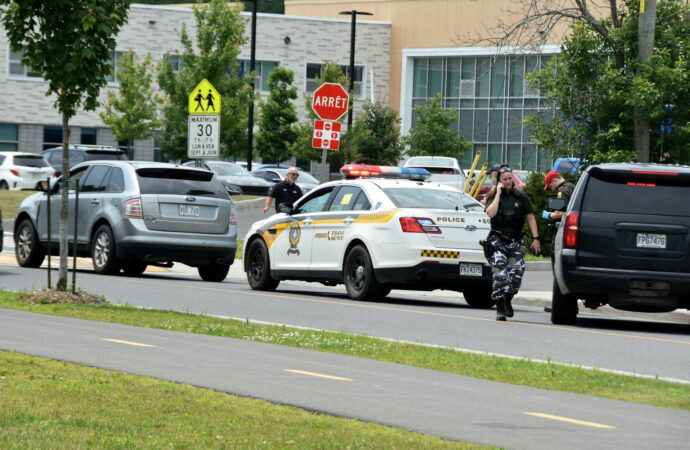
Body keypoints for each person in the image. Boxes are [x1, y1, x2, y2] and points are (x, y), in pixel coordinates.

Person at [484, 166, 541, 321]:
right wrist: (498, 193)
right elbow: (490, 213)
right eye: (505, 179)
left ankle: (508, 297)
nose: (508, 182)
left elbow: (530, 217)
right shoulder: (493, 195)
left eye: (510, 178)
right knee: (500, 275)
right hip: (498, 241)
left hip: (515, 240)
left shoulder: (521, 196)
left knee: (517, 274)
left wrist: (536, 239)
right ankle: (500, 306)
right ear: (499, 181)